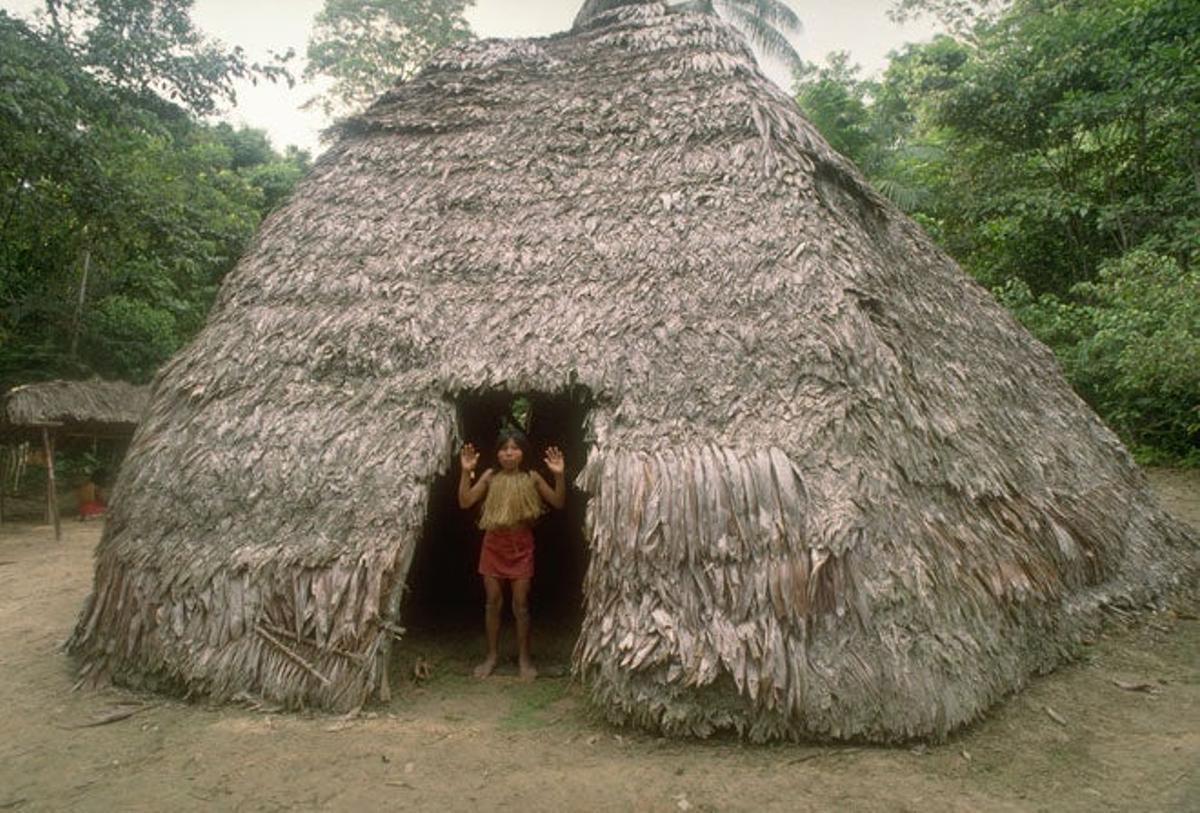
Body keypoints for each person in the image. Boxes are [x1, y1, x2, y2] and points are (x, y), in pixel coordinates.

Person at [458, 428, 565, 680]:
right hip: (493, 545)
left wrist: (559, 476)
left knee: (521, 604)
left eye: (514, 448)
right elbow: (465, 501)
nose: (509, 453)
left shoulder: (532, 477)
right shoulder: (490, 476)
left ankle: (524, 658)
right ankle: (492, 656)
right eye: (504, 449)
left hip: (521, 546)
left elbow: (558, 502)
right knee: (493, 602)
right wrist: (465, 471)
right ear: (497, 453)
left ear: (522, 452)